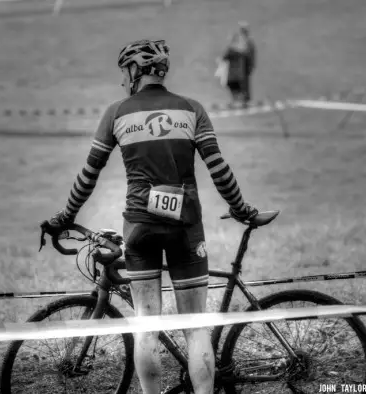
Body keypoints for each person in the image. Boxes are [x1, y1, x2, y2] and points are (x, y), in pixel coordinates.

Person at [46, 39, 258, 394]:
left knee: (146, 324)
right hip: (186, 226)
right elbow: (219, 169)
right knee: (196, 327)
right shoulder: (192, 109)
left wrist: (66, 215)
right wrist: (241, 208)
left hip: (140, 225)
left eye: (126, 71)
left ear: (136, 71)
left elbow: (88, 175)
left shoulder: (117, 112)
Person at [220, 21, 257, 105]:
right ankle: (243, 100)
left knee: (240, 85)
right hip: (241, 69)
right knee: (242, 84)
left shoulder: (245, 42)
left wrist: (250, 64)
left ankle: (241, 100)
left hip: (240, 69)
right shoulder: (243, 42)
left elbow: (225, 57)